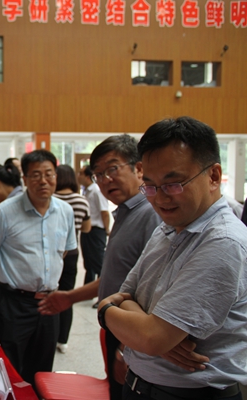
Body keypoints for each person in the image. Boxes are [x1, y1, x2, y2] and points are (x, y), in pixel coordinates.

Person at [99, 117, 247, 400]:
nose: (159, 198)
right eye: (150, 186)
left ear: (213, 176)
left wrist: (106, 312)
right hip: (141, 385)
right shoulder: (167, 229)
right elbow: (127, 294)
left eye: (173, 184)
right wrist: (150, 329)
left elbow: (150, 337)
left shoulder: (222, 242)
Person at [38, 134, 161, 400]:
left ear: (139, 168)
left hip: (135, 337)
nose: (105, 180)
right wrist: (70, 297)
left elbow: (155, 291)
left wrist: (127, 348)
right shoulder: (125, 213)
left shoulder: (151, 215)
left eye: (113, 169)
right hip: (121, 329)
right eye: (98, 175)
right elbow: (117, 277)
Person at [0, 150, 76, 385]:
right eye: (36, 175)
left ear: (56, 176)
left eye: (49, 174)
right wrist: (8, 277)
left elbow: (64, 251)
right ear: (25, 179)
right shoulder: (3, 212)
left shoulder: (66, 211)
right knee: (10, 369)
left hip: (49, 303)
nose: (43, 181)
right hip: (14, 303)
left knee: (42, 370)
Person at [52, 164, 91, 354]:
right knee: (67, 295)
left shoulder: (51, 199)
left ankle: (49, 335)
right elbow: (87, 228)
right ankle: (63, 340)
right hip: (71, 252)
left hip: (50, 252)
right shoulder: (81, 200)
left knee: (48, 293)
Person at [78, 165, 110, 285]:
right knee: (89, 263)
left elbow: (104, 212)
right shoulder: (87, 191)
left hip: (96, 231)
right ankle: (88, 288)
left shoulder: (97, 191)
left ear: (88, 177)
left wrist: (107, 229)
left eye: (81, 173)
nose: (78, 176)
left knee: (98, 263)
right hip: (88, 230)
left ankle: (103, 289)